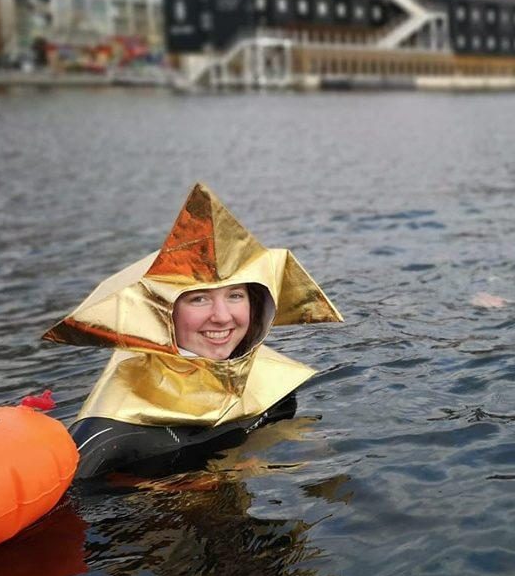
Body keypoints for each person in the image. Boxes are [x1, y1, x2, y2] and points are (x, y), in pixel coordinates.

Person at [43, 183, 342, 478]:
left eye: (235, 295)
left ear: (256, 303)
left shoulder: (275, 385)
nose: (222, 317)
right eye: (199, 299)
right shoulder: (108, 434)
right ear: (161, 313)